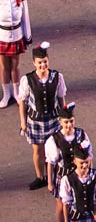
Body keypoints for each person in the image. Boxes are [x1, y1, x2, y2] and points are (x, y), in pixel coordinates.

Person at [17, 42, 65, 190]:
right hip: (35, 122)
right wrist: (23, 122)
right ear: (34, 63)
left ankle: (52, 177)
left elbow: (61, 98)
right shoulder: (28, 80)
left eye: (45, 61)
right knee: (38, 151)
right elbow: (22, 101)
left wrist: (64, 116)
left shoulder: (57, 77)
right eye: (39, 62)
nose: (43, 65)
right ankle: (40, 177)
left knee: (53, 150)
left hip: (53, 120)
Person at [46, 102, 92, 222]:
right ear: (60, 122)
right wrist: (50, 182)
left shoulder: (81, 135)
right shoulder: (55, 139)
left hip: (81, 175)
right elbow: (51, 162)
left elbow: (89, 157)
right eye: (66, 122)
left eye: (71, 121)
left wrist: (90, 173)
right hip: (63, 176)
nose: (69, 125)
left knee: (81, 203)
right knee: (61, 206)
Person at [0, 0, 32, 109]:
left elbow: (25, 19)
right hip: (2, 36)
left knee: (15, 65)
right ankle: (6, 94)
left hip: (17, 35)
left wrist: (27, 37)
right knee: (3, 66)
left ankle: (16, 92)